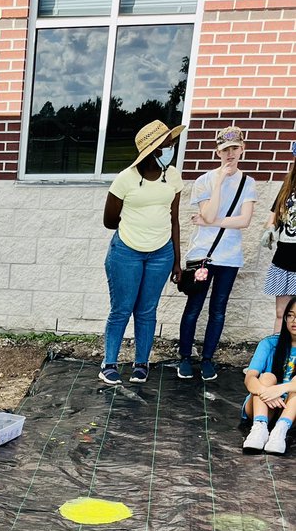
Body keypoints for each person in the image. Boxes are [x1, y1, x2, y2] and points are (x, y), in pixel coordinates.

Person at [100, 119, 185, 386]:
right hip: (127, 252)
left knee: (147, 310)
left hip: (161, 254)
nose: (172, 148)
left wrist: (177, 262)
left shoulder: (172, 176)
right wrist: (137, 228)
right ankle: (109, 363)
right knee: (122, 309)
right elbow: (109, 220)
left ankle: (141, 363)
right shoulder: (126, 179)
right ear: (154, 150)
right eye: (168, 145)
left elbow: (174, 219)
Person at [177, 125, 256, 382]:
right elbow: (209, 213)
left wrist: (209, 221)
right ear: (217, 152)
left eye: (234, 148)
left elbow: (244, 221)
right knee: (194, 307)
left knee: (218, 309)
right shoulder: (204, 181)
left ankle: (208, 359)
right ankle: (185, 357)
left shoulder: (248, 183)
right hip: (204, 255)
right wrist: (220, 181)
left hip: (229, 257)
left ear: (242, 149)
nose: (230, 154)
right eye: (225, 150)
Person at [242, 294, 296, 454]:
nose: (294, 321)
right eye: (290, 316)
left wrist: (280, 389)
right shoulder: (269, 343)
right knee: (266, 377)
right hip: (264, 405)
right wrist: (266, 392)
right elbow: (250, 378)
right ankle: (259, 428)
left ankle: (280, 432)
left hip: (293, 410)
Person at [259, 141, 296, 332]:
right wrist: (269, 229)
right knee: (282, 313)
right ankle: (277, 356)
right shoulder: (288, 185)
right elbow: (274, 215)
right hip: (284, 257)